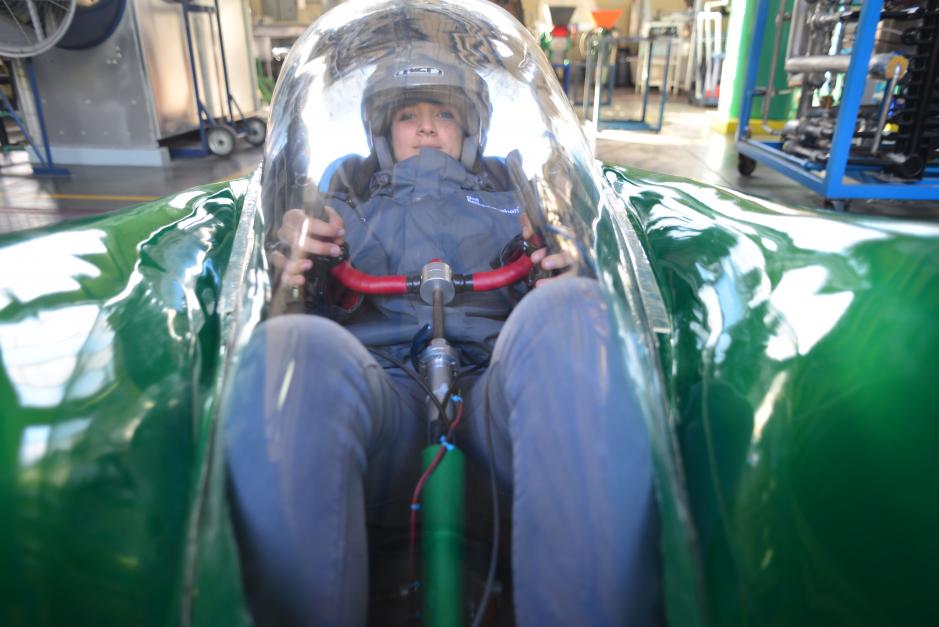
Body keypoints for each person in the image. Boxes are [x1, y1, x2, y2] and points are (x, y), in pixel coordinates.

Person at [223, 50, 661, 626]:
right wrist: (292, 261)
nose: (427, 126)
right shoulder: (340, 206)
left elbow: (567, 275)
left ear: (471, 130)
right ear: (383, 133)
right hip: (383, 400)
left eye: (445, 114)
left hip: (492, 395)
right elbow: (296, 287)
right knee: (301, 351)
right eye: (408, 115)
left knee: (574, 312)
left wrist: (567, 255)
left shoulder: (519, 202)